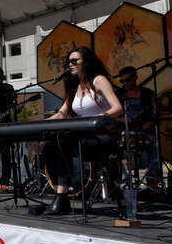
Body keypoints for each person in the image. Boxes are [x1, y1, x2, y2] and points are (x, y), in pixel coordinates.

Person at [43, 47, 123, 215]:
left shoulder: (99, 80)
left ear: (85, 62)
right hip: (83, 135)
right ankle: (60, 193)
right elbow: (62, 113)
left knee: (64, 142)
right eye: (69, 61)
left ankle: (62, 197)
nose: (70, 64)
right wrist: (42, 124)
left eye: (74, 61)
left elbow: (117, 108)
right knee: (52, 145)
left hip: (103, 136)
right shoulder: (73, 86)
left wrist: (98, 118)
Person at [114, 66, 159, 183]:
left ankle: (152, 182)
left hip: (144, 131)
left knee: (156, 147)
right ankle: (121, 182)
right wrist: (121, 119)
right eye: (122, 81)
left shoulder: (147, 93)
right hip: (122, 132)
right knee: (112, 151)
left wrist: (151, 122)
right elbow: (110, 115)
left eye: (127, 80)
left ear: (135, 78)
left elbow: (157, 113)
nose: (125, 83)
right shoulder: (118, 95)